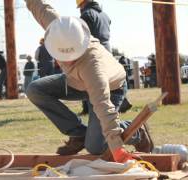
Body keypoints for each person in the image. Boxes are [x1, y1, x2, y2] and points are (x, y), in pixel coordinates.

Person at [24, 0, 153, 162]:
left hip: (111, 88)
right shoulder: (59, 28)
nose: (66, 61)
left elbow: (103, 106)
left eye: (71, 57)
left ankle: (136, 131)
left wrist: (117, 146)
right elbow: (39, 6)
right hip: (77, 81)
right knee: (35, 90)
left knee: (95, 147)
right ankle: (79, 133)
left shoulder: (93, 66)